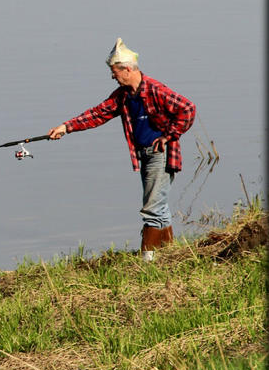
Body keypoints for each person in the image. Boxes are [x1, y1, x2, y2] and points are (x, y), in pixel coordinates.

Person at [47, 38, 196, 261]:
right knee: (159, 207)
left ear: (127, 69)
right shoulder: (124, 96)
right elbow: (98, 114)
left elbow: (187, 108)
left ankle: (147, 261)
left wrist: (169, 135)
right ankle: (168, 256)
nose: (112, 76)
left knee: (152, 208)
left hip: (160, 155)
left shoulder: (155, 89)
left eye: (114, 72)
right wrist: (66, 127)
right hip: (144, 155)